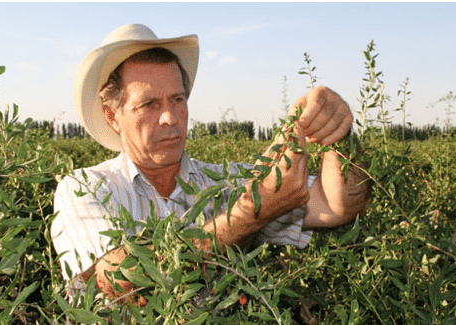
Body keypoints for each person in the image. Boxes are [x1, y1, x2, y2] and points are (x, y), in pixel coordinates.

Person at [51, 24, 369, 303]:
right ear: (112, 116)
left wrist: (338, 134)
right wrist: (251, 211)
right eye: (148, 104)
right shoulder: (83, 189)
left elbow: (337, 206)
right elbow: (116, 282)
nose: (170, 118)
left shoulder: (222, 183)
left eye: (178, 99)